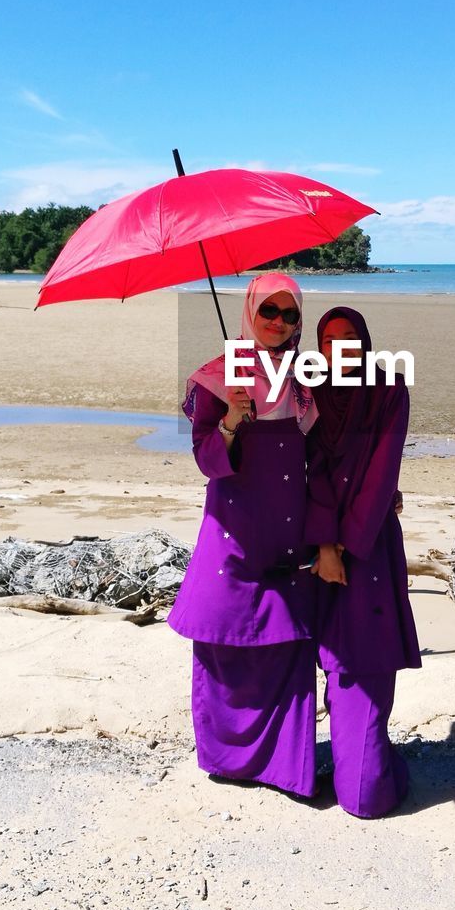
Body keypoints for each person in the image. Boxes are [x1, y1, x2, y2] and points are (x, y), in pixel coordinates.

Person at [167, 273, 320, 798]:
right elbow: (206, 461)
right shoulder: (216, 378)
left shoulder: (305, 379)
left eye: (291, 314)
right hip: (235, 529)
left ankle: (286, 764)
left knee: (287, 641)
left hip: (289, 529)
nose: (279, 323)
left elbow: (324, 452)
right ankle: (228, 757)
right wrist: (232, 419)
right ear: (250, 313)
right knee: (226, 637)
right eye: (268, 312)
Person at [305, 305, 422, 817]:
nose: (338, 348)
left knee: (366, 659)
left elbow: (381, 472)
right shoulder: (309, 396)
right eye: (328, 340)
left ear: (366, 341)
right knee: (334, 659)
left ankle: (366, 781)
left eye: (349, 337)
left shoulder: (389, 391)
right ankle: (359, 769)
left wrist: (349, 544)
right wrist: (326, 546)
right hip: (321, 549)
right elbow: (310, 471)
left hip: (369, 547)